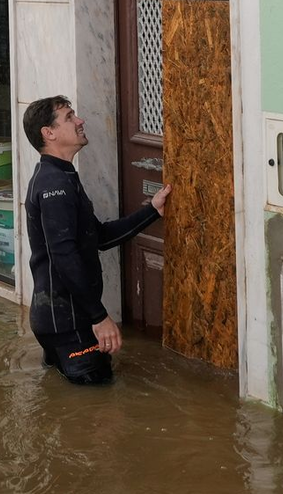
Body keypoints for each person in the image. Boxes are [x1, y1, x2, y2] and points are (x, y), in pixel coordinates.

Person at [22, 95, 171, 386]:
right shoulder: (55, 186)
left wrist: (152, 211)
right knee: (99, 411)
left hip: (56, 319)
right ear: (48, 133)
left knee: (65, 402)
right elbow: (64, 256)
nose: (80, 121)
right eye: (69, 117)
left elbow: (99, 237)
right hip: (68, 323)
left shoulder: (61, 177)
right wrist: (99, 317)